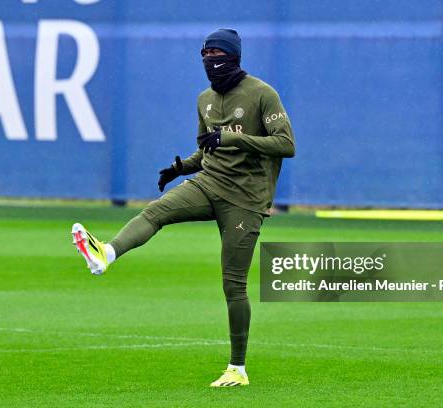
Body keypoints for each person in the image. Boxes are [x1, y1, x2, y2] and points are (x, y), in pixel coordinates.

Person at [71, 28, 295, 387]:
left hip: (246, 198)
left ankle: (237, 369)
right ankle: (106, 253)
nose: (210, 62)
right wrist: (181, 168)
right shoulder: (205, 98)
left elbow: (286, 144)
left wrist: (233, 137)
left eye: (217, 55)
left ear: (234, 57)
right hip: (209, 182)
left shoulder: (262, 94)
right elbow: (209, 147)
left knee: (233, 284)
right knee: (156, 211)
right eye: (205, 56)